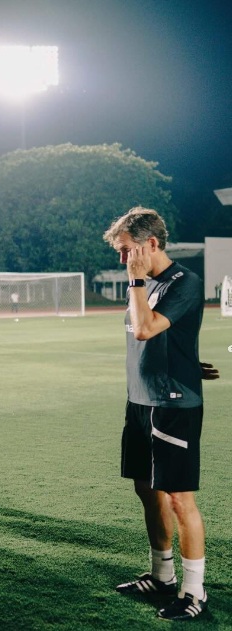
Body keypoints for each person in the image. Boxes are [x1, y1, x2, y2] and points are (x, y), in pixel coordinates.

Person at [104, 207, 217, 620]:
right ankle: (161, 575)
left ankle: (194, 592)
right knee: (146, 490)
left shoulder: (184, 282)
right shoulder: (148, 284)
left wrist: (134, 280)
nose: (123, 260)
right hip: (140, 401)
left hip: (172, 404)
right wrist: (189, 360)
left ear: (151, 243)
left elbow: (147, 329)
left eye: (127, 250)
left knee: (178, 497)